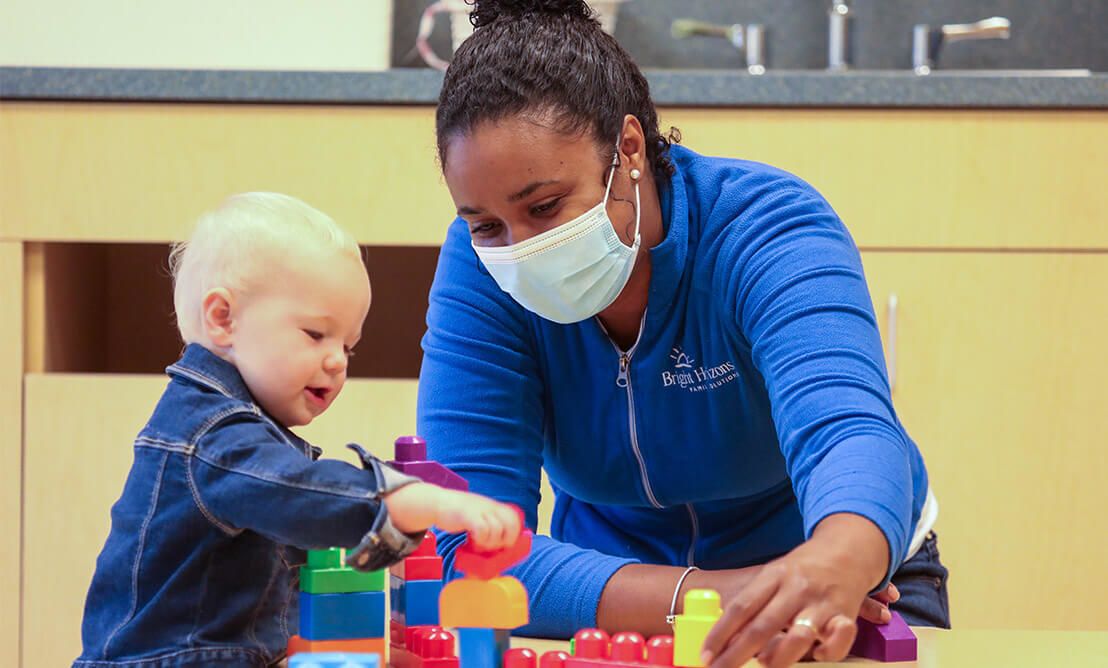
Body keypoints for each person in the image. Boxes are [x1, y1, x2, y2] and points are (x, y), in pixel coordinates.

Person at [417, 2, 948, 666]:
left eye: (545, 206)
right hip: (611, 604)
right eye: (486, 224)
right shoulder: (477, 270)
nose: (518, 249)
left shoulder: (765, 228)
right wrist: (725, 600)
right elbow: (466, 549)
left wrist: (835, 560)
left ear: (629, 149)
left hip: (835, 592)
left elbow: (851, 433)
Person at [75, 193, 522, 668]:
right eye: (315, 334)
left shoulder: (243, 431)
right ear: (223, 319)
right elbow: (302, 494)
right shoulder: (212, 435)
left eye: (349, 348)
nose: (336, 361)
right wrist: (412, 501)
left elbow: (291, 565)